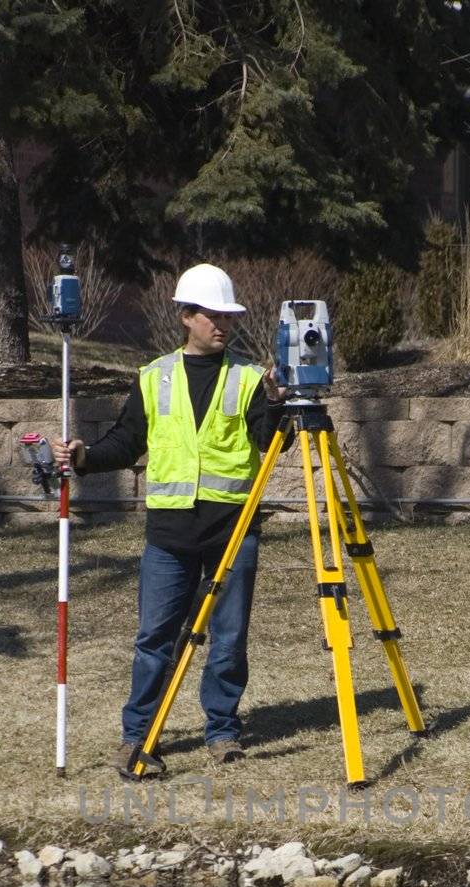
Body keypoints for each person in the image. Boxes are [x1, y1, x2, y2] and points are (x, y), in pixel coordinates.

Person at [54, 263, 287, 776]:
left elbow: (270, 445)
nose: (222, 323)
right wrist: (86, 455)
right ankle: (139, 736)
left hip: (232, 532)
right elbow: (127, 441)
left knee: (228, 639)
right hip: (169, 534)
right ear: (186, 316)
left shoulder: (249, 379)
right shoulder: (153, 377)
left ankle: (223, 731)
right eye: (211, 314)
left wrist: (275, 404)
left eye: (228, 315)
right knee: (154, 639)